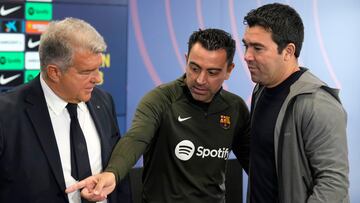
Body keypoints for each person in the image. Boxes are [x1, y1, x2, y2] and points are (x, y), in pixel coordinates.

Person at [66, 28, 250, 202]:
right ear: (186, 60)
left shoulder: (235, 107)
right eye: (194, 68)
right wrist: (112, 173)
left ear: (229, 70)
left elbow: (255, 164)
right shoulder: (160, 99)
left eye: (212, 72)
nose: (201, 80)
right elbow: (137, 137)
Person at [0, 17, 130, 203]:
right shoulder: (6, 115)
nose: (98, 78)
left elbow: (117, 172)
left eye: (98, 69)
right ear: (54, 72)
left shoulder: (104, 101)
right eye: (86, 72)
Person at [242, 3, 349, 203]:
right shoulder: (261, 89)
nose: (247, 56)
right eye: (246, 45)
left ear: (288, 51)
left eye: (257, 48)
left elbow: (333, 184)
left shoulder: (318, 104)